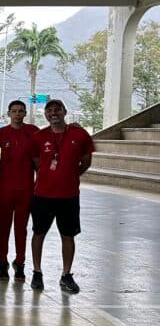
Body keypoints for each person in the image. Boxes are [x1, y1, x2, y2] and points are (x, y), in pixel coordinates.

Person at [29, 99, 95, 294]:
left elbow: (86, 161)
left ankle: (66, 275)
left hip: (69, 196)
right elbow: (36, 162)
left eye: (57, 109)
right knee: (38, 233)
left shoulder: (79, 134)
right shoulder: (38, 137)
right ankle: (37, 272)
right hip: (43, 195)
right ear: (46, 115)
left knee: (68, 235)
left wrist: (70, 175)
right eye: (49, 110)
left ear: (65, 111)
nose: (53, 113)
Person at [0, 100, 39, 282]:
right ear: (9, 114)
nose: (17, 114)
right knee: (3, 227)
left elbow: (45, 146)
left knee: (21, 228)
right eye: (14, 111)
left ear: (25, 113)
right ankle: (2, 262)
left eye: (20, 111)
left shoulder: (33, 131)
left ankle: (20, 262)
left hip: (26, 189)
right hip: (5, 189)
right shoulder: (2, 133)